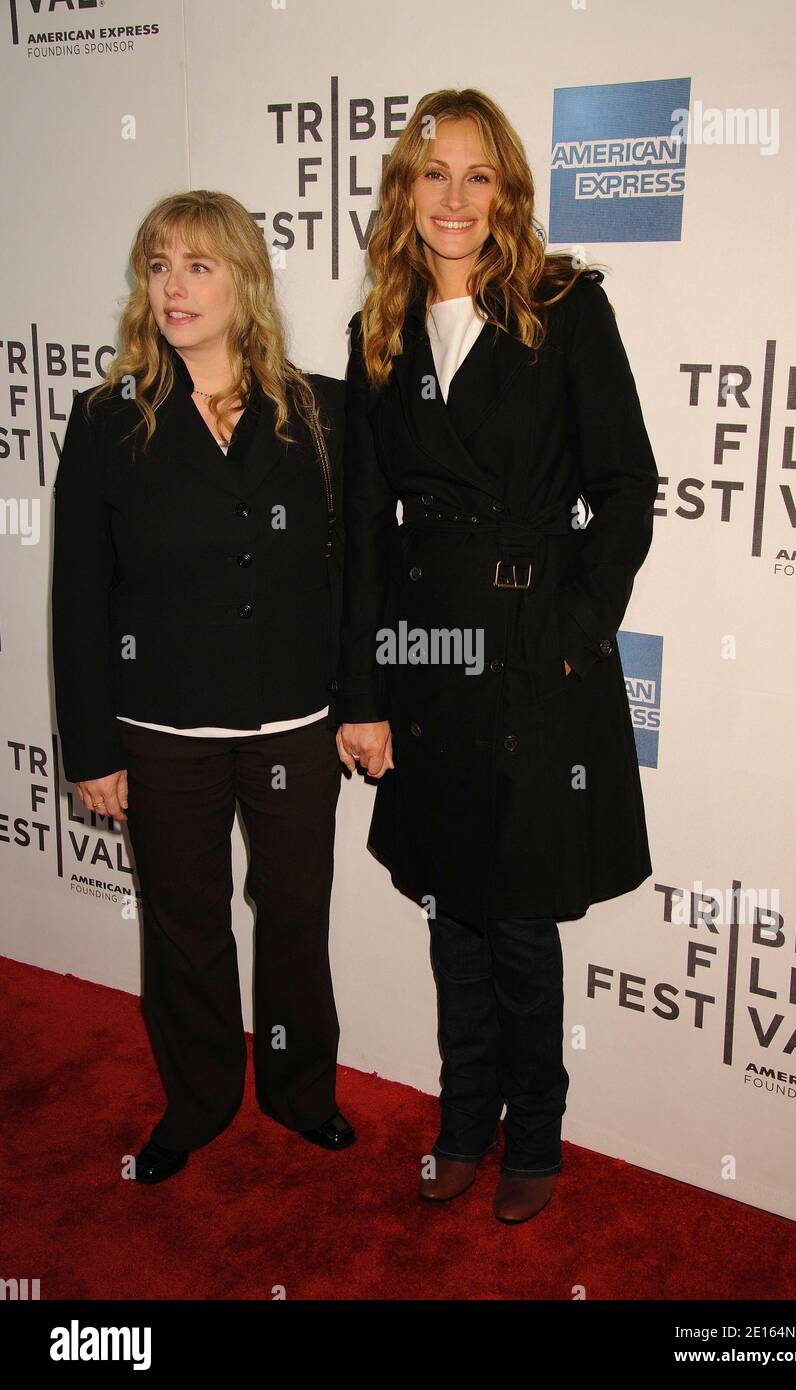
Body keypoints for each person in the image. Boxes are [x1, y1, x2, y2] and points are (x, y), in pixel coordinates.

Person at [334, 91, 659, 1223]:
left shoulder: (563, 308)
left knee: (516, 915)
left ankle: (538, 1131)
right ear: (405, 192)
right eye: (434, 175)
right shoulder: (378, 327)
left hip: (531, 655)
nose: (456, 198)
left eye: (478, 176)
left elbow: (625, 487)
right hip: (425, 660)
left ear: (508, 190)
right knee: (449, 911)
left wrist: (571, 629)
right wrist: (363, 693)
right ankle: (463, 1118)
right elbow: (366, 528)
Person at [51, 190, 351, 1185]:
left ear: (244, 280)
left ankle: (303, 1090)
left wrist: (363, 702)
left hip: (295, 726)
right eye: (158, 265)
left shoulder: (315, 409)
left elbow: (349, 576)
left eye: (199, 265)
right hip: (162, 728)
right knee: (184, 925)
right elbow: (81, 594)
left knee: (295, 915)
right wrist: (91, 747)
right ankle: (199, 1097)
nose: (174, 286)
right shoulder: (106, 420)